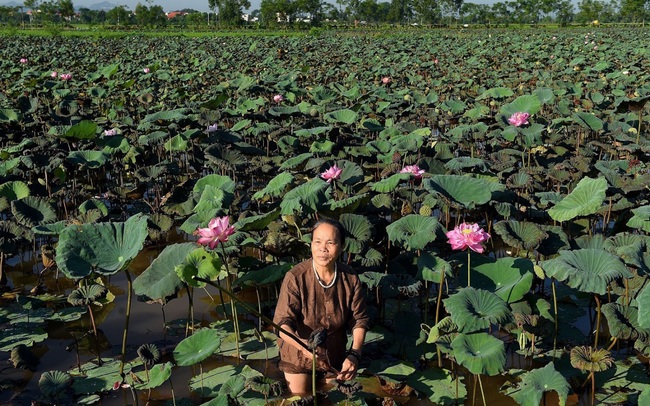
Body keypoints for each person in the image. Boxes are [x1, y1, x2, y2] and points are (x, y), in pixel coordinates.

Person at [273, 218, 369, 394]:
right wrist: (305, 348)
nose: (322, 248)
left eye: (330, 243)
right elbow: (282, 323)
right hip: (298, 353)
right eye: (317, 242)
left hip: (334, 354)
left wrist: (354, 354)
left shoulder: (350, 278)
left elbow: (359, 320)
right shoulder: (295, 277)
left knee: (334, 397)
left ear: (341, 246)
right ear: (311, 244)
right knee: (300, 396)